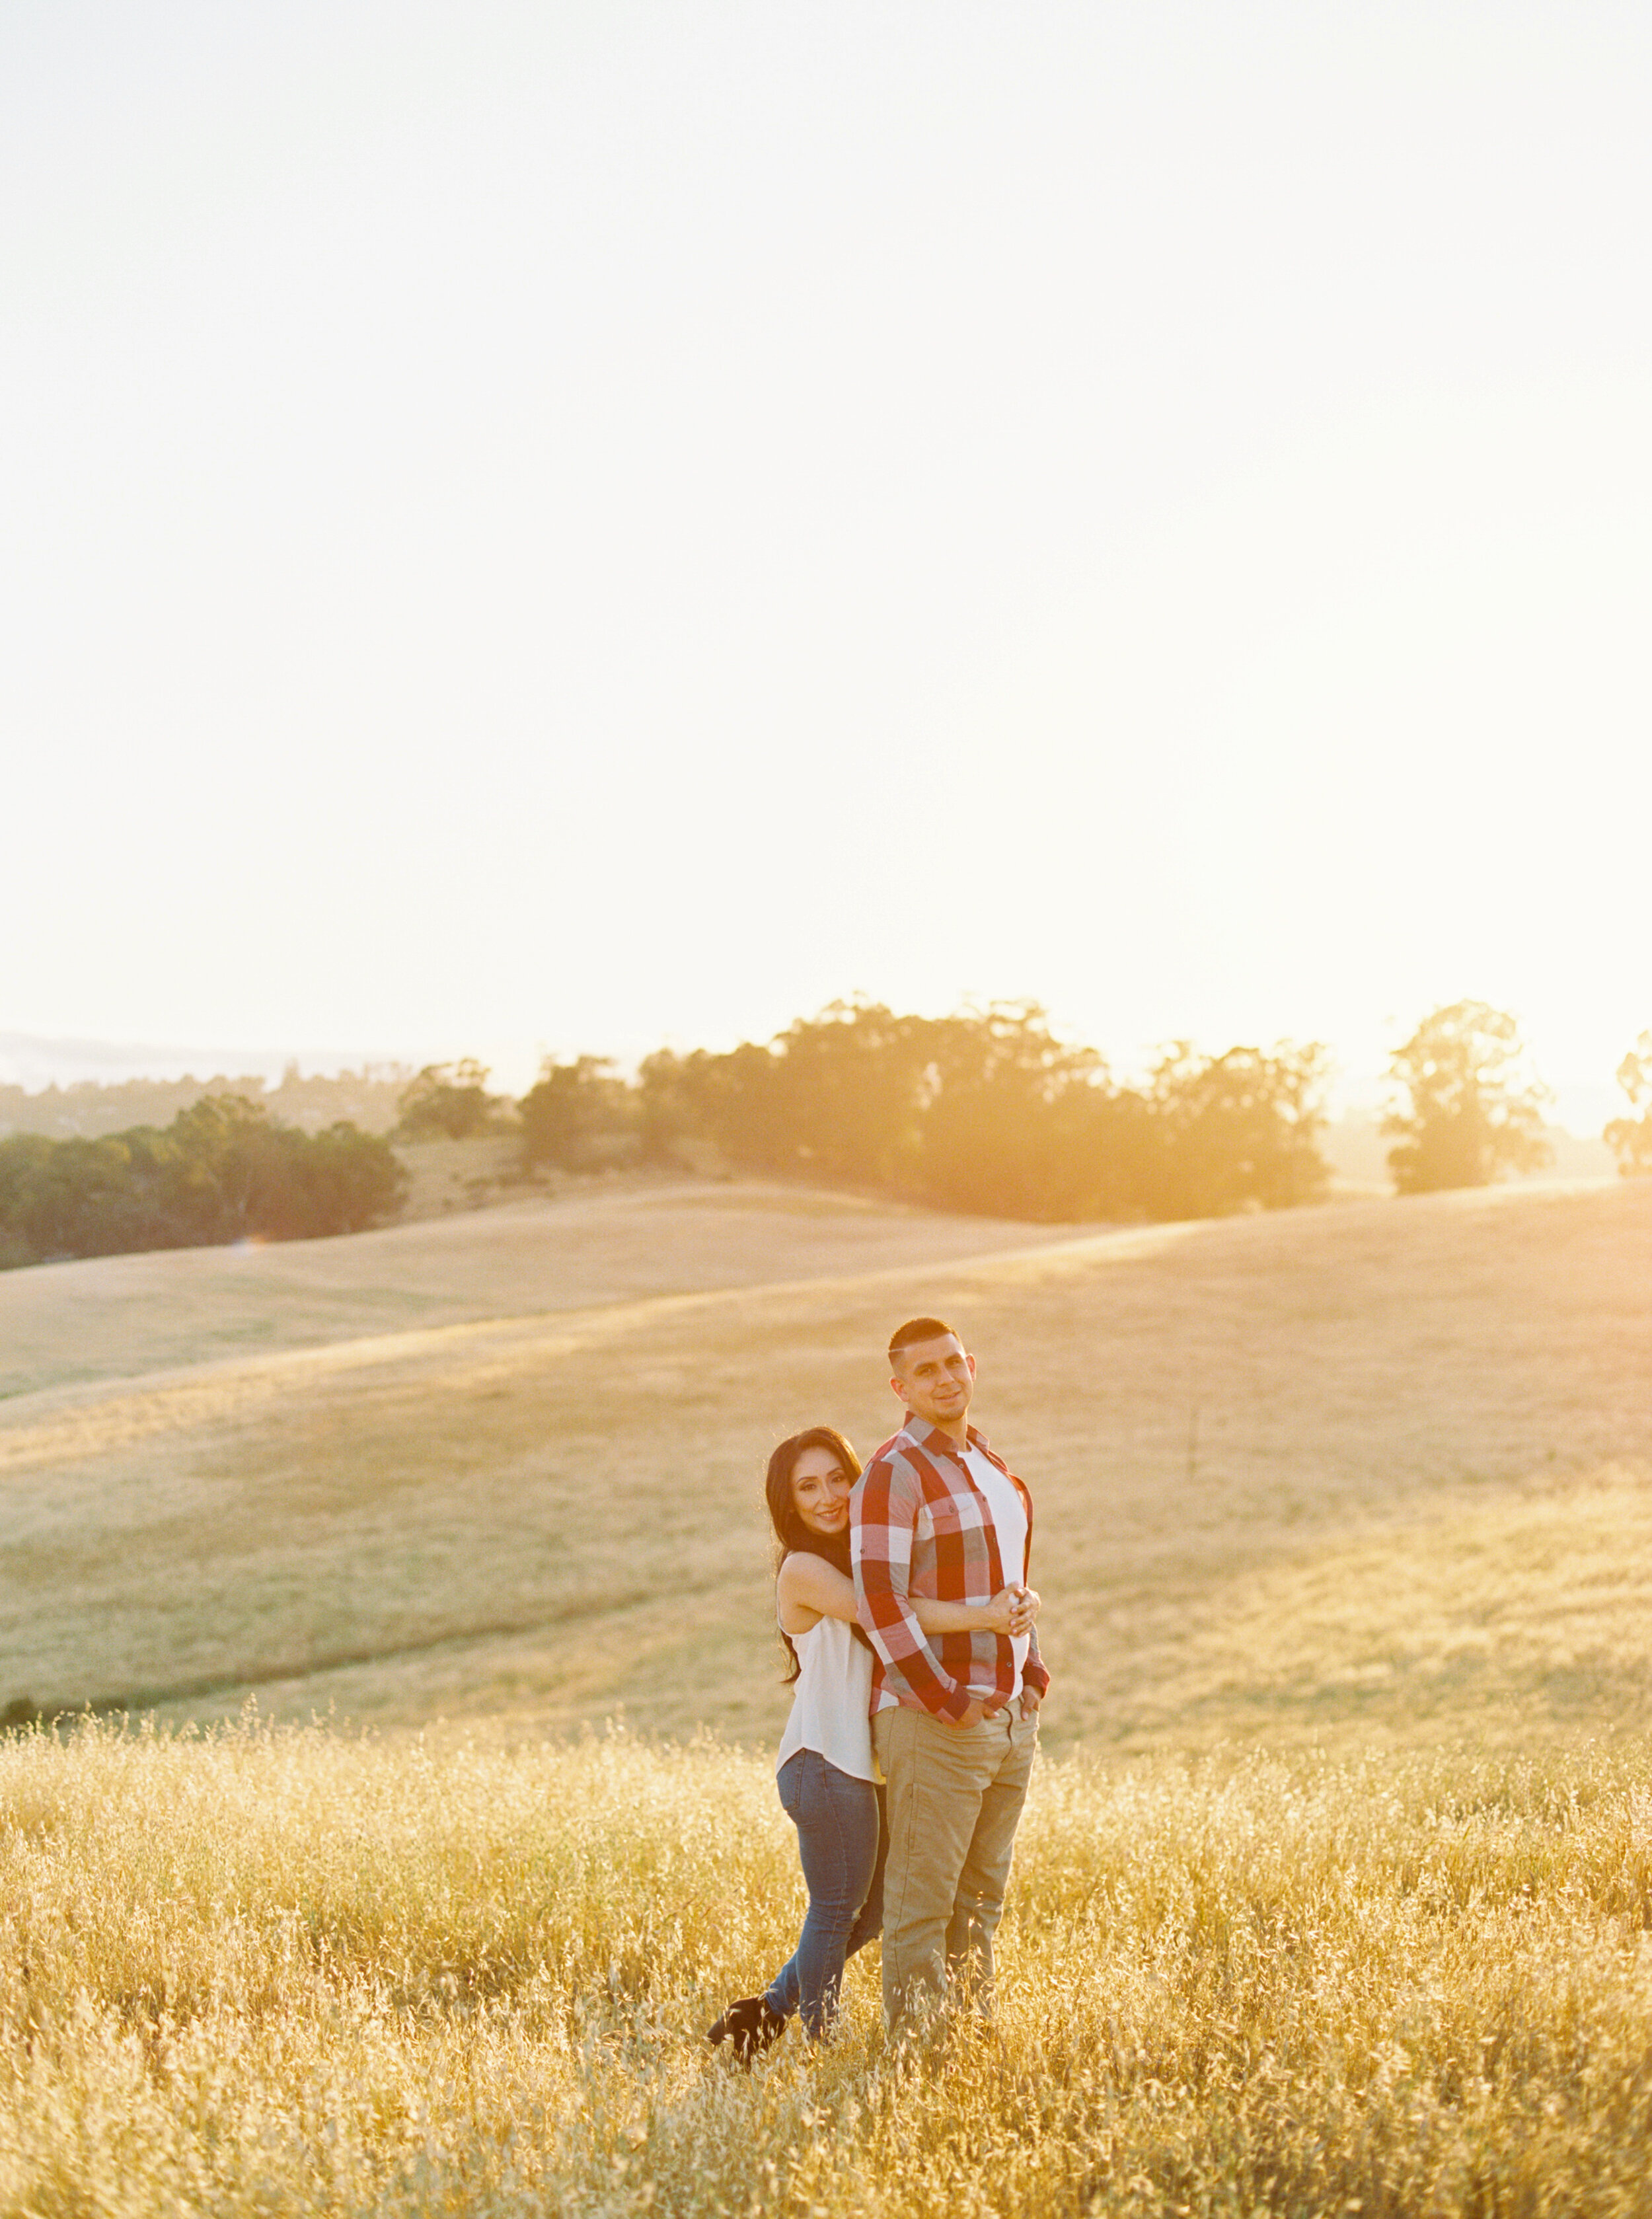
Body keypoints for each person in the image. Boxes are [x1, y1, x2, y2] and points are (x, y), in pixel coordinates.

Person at [708, 1425, 1038, 2062]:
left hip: (862, 1766)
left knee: (882, 1904)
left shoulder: (871, 1560)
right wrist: (987, 1614)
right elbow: (890, 1614)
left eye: (839, 1478)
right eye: (809, 1487)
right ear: (789, 1504)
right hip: (824, 1764)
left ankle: (765, 2012)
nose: (829, 1496)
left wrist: (1020, 1613)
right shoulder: (804, 1570)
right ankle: (819, 2045)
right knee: (836, 1909)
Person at [852, 1317, 1049, 2036]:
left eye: (952, 1363)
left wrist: (1032, 1677)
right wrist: (942, 1700)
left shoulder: (991, 1467)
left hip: (1007, 1715)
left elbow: (1009, 1585)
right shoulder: (894, 1471)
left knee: (979, 1903)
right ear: (900, 1387)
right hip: (933, 1716)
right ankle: (916, 2066)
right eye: (924, 1371)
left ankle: (969, 2047)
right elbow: (881, 1600)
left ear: (972, 1364)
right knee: (920, 1906)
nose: (944, 1378)